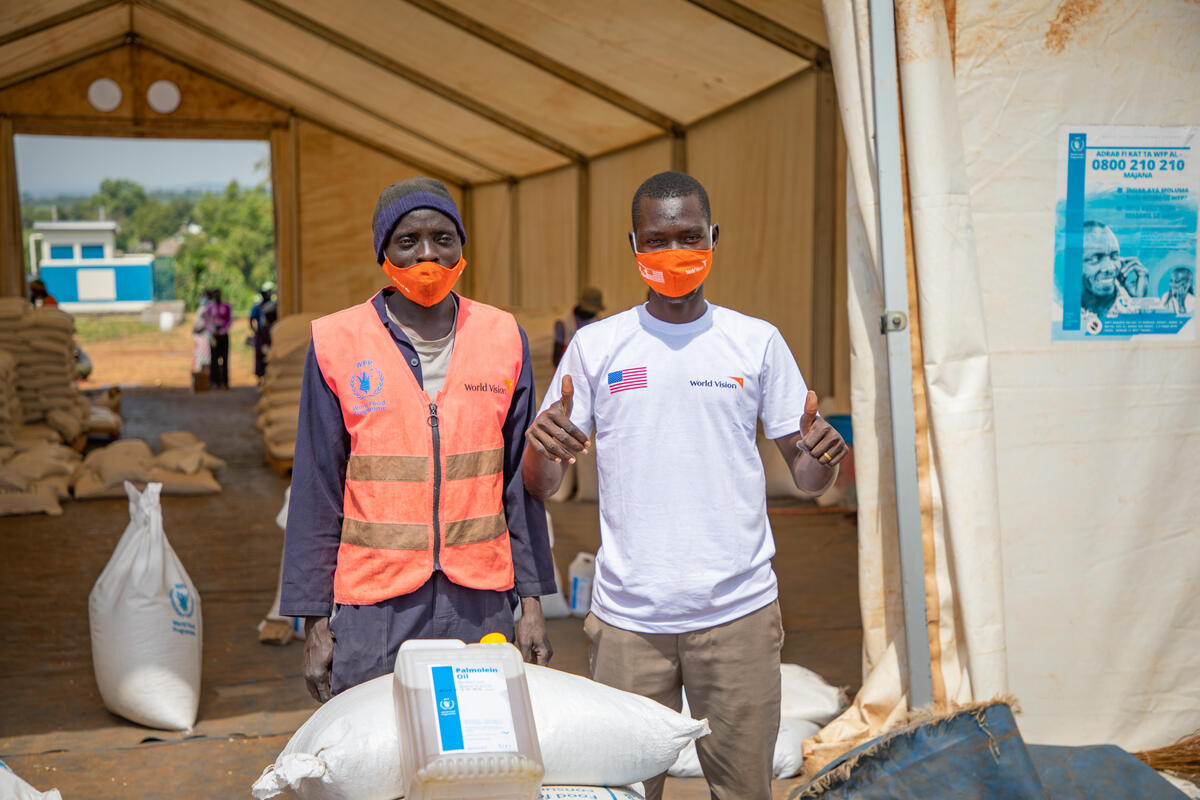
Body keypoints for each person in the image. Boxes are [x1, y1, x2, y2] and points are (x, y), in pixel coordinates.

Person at [522, 171, 849, 800]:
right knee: (619, 793)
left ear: (714, 237)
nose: (674, 254)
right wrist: (543, 448)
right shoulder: (597, 347)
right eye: (658, 239)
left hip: (738, 618)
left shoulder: (755, 342)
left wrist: (824, 456)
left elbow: (808, 478)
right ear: (635, 245)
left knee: (743, 789)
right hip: (626, 623)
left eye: (689, 236)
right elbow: (541, 483)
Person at [281, 177, 557, 703]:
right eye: (407, 241)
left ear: (461, 247)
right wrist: (314, 621)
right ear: (382, 251)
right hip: (375, 605)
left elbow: (518, 485)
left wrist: (534, 601)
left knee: (477, 758)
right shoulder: (338, 342)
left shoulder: (502, 336)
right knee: (382, 762)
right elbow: (317, 487)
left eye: (442, 237)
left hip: (480, 599)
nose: (427, 254)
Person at [1080, 220, 1149, 321]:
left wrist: (1140, 302)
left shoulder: (1129, 302)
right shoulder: (1059, 307)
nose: (1110, 268)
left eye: (1114, 256)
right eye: (1095, 258)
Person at [552, 286, 605, 367]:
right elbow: (556, 359)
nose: (592, 313)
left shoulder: (599, 322)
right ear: (581, 304)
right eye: (589, 310)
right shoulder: (564, 323)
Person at [203, 288, 232, 388]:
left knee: (225, 359)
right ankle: (214, 381)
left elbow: (229, 320)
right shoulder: (210, 307)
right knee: (214, 359)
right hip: (214, 336)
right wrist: (212, 331)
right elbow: (206, 321)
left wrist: (223, 331)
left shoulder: (226, 306)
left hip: (223, 335)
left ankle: (225, 382)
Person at [249, 282, 278, 381]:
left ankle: (268, 375)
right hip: (261, 333)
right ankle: (260, 376)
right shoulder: (258, 307)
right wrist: (255, 330)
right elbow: (251, 319)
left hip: (269, 332)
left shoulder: (272, 305)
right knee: (259, 355)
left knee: (269, 354)